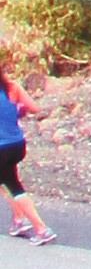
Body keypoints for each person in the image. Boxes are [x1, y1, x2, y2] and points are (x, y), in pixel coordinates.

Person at [0, 58, 55, 243]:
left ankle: (41, 229)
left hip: (2, 148)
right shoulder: (12, 88)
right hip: (17, 144)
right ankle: (18, 219)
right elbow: (34, 108)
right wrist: (17, 110)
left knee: (13, 185)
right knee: (4, 181)